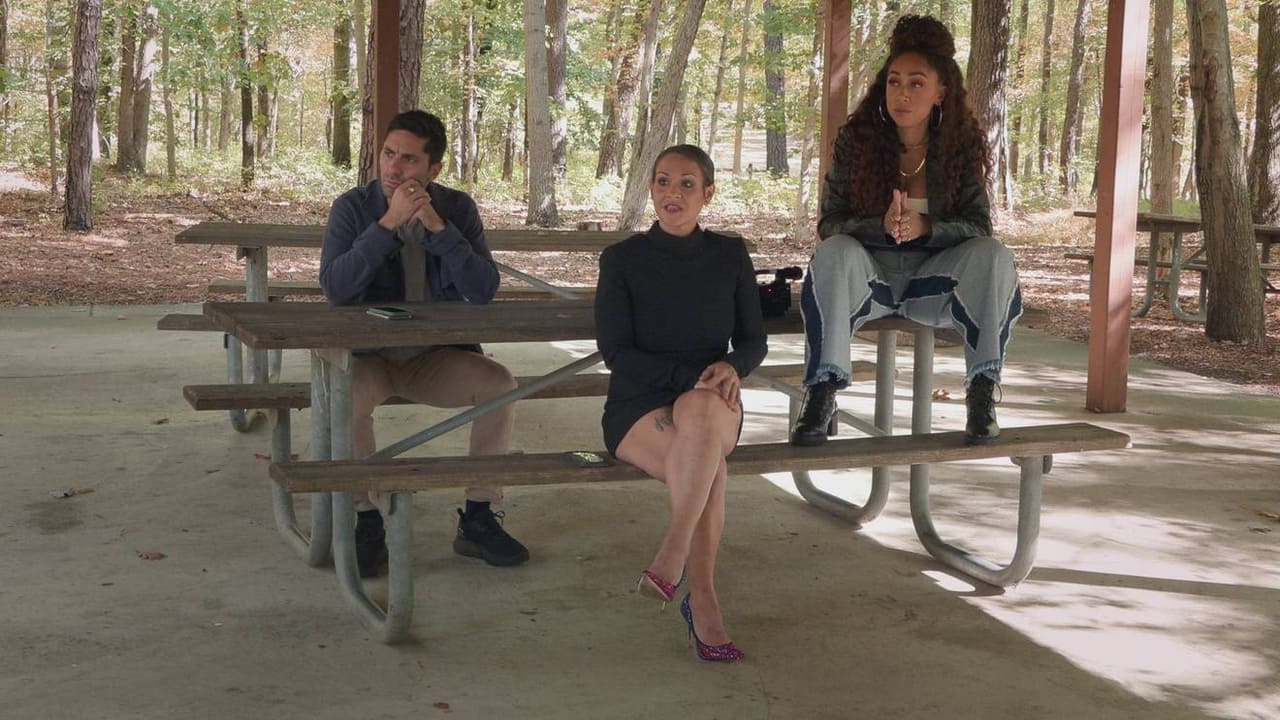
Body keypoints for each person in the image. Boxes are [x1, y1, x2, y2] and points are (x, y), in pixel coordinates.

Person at [791, 14, 1022, 447]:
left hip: (933, 285)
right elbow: (830, 221)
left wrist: (926, 227)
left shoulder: (960, 147)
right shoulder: (857, 140)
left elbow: (978, 225)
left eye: (916, 83)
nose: (902, 93)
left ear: (941, 92)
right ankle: (822, 392)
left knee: (993, 254)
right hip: (870, 282)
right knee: (834, 251)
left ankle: (981, 392)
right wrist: (879, 226)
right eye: (894, 82)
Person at [320, 109, 529, 575]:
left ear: (433, 170)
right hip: (370, 359)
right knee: (345, 397)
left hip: (435, 356)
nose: (394, 168)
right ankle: (366, 518)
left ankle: (478, 517)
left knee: (499, 384)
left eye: (409, 159)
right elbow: (335, 288)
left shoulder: (457, 209)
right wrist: (386, 226)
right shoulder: (352, 207)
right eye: (388, 154)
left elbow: (483, 289)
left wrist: (438, 229)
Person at [594, 145, 767, 662]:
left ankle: (673, 550)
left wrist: (733, 367)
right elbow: (616, 353)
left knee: (702, 412)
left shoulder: (729, 254)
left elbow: (754, 341)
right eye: (663, 181)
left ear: (707, 194)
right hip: (639, 404)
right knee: (710, 467)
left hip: (715, 398)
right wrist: (692, 378)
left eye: (687, 183)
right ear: (651, 189)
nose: (673, 193)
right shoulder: (622, 260)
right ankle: (703, 597)